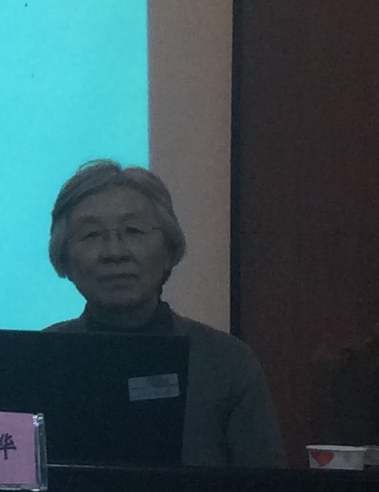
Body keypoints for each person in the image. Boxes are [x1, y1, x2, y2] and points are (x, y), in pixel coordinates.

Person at [45, 159, 284, 468]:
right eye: (91, 235)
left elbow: (269, 490)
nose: (114, 252)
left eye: (133, 230)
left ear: (169, 250)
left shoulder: (226, 362)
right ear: (64, 258)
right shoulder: (41, 358)